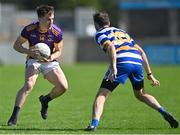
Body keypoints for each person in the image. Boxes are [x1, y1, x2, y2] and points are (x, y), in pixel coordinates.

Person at [86, 11, 178, 131]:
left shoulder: (99, 33)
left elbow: (111, 47)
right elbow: (141, 51)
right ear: (108, 22)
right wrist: (150, 74)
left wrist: (113, 66)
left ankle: (94, 124)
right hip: (136, 62)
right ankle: (162, 110)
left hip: (122, 62)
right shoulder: (122, 32)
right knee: (141, 94)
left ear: (96, 24)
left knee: (102, 95)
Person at [8, 5, 68, 126]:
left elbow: (59, 51)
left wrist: (52, 57)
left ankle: (45, 100)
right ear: (40, 18)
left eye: (52, 18)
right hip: (33, 60)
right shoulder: (29, 29)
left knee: (63, 87)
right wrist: (28, 51)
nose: (51, 21)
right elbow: (16, 45)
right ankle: (14, 116)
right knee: (28, 85)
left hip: (50, 61)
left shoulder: (56, 32)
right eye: (48, 19)